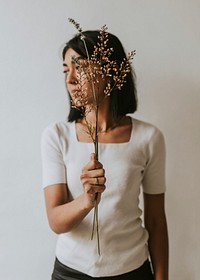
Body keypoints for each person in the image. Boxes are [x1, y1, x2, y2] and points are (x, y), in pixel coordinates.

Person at [41, 30, 169, 280]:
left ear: (110, 73)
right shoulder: (57, 136)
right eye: (66, 70)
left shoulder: (149, 138)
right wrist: (87, 200)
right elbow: (56, 221)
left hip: (132, 270)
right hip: (71, 272)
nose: (71, 78)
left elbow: (156, 221)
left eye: (80, 67)